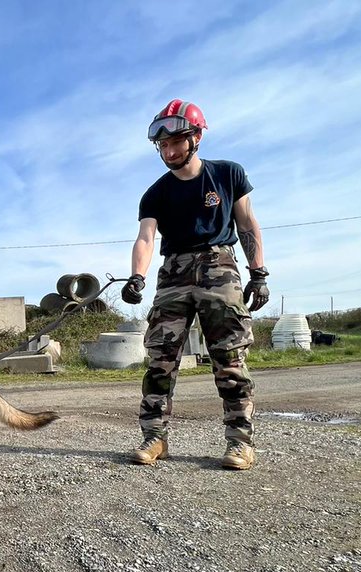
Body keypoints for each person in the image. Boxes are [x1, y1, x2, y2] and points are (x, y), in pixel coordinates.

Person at [121, 99, 271, 470]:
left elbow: (248, 224)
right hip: (173, 274)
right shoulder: (155, 193)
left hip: (220, 268)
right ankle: (154, 438)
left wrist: (259, 273)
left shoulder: (228, 174)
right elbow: (146, 237)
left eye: (177, 142)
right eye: (163, 146)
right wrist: (137, 276)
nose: (169, 151)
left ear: (197, 137)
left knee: (229, 359)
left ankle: (240, 443)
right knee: (160, 361)